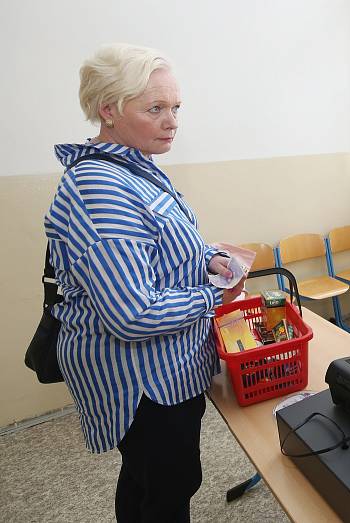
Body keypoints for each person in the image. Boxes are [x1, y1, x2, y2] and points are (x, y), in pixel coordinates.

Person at [44, 44, 244, 521]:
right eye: (155, 109)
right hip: (145, 380)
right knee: (167, 486)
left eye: (175, 107)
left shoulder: (135, 167)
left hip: (167, 365)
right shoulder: (102, 186)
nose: (172, 121)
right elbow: (133, 313)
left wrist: (207, 255)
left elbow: (160, 244)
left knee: (147, 478)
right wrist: (213, 293)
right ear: (107, 110)